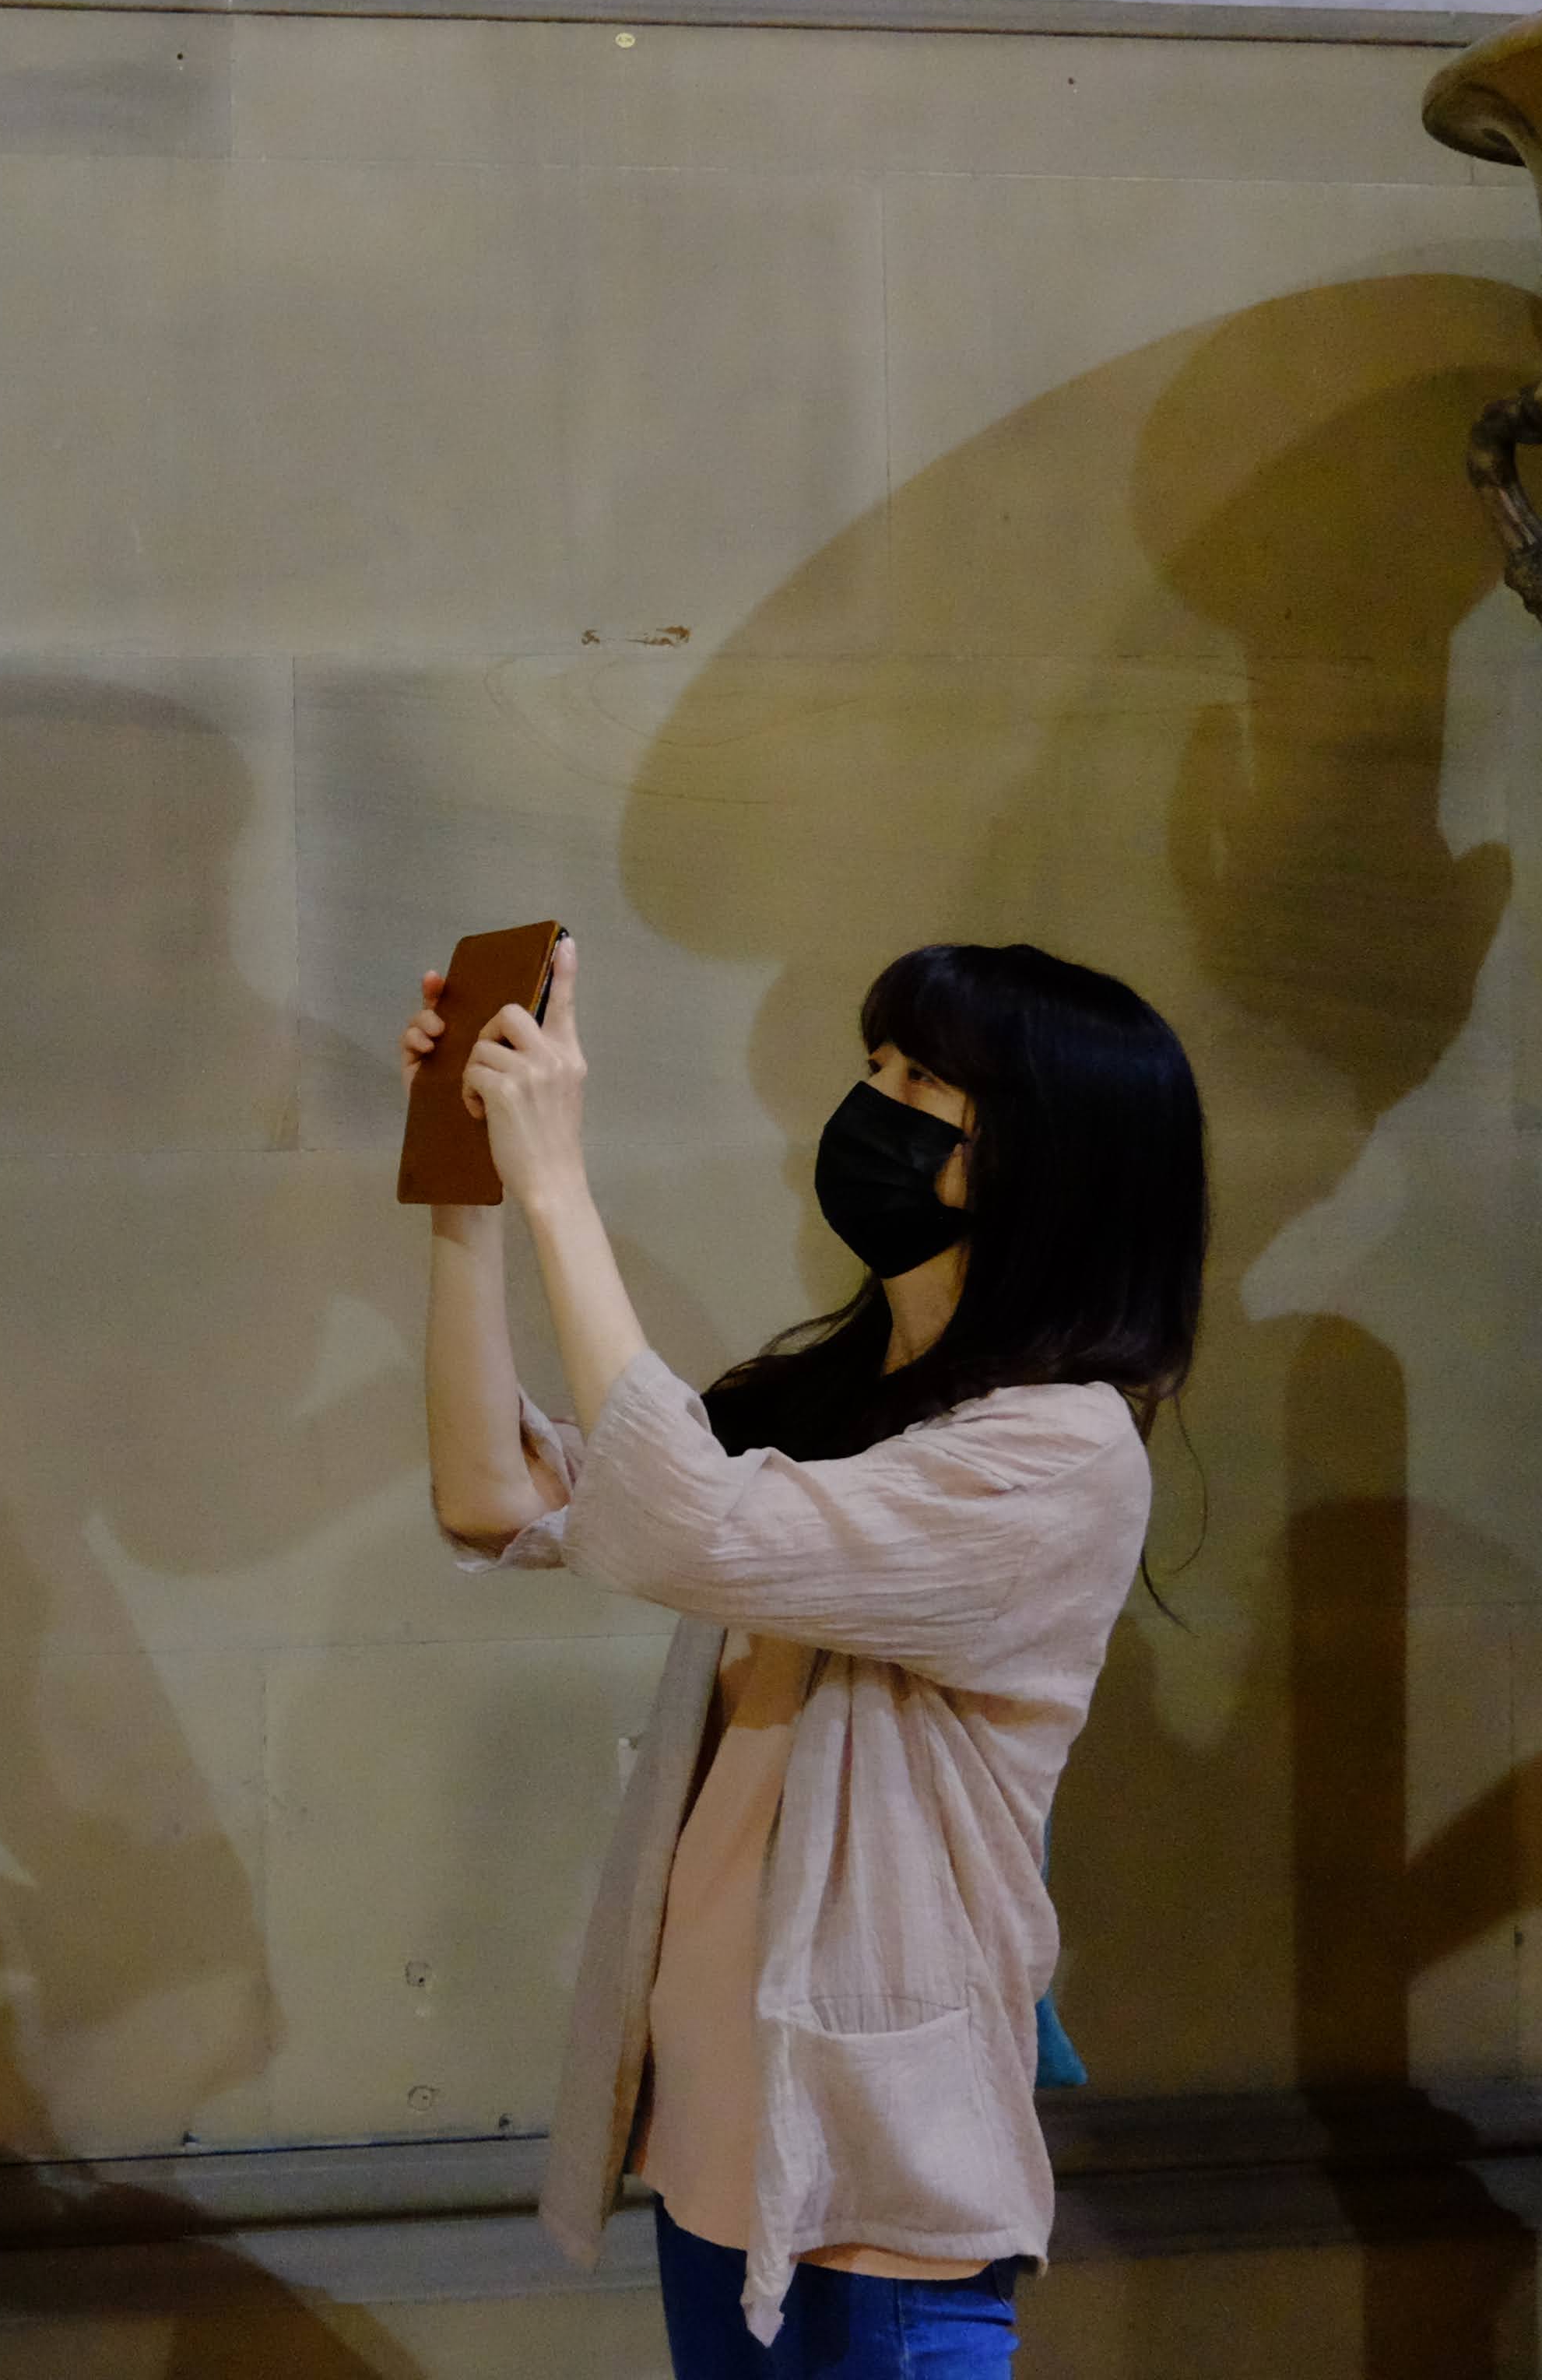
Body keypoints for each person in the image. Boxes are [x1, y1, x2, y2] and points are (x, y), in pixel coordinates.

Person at [405, 937, 1207, 2377]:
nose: (870, 1101)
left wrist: (561, 1182)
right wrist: (468, 1185)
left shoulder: (1061, 1450)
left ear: (1042, 1156)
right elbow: (491, 1493)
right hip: (716, 2173)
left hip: (877, 2214)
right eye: (874, 1062)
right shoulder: (834, 1405)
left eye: (921, 1081)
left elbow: (686, 1527)